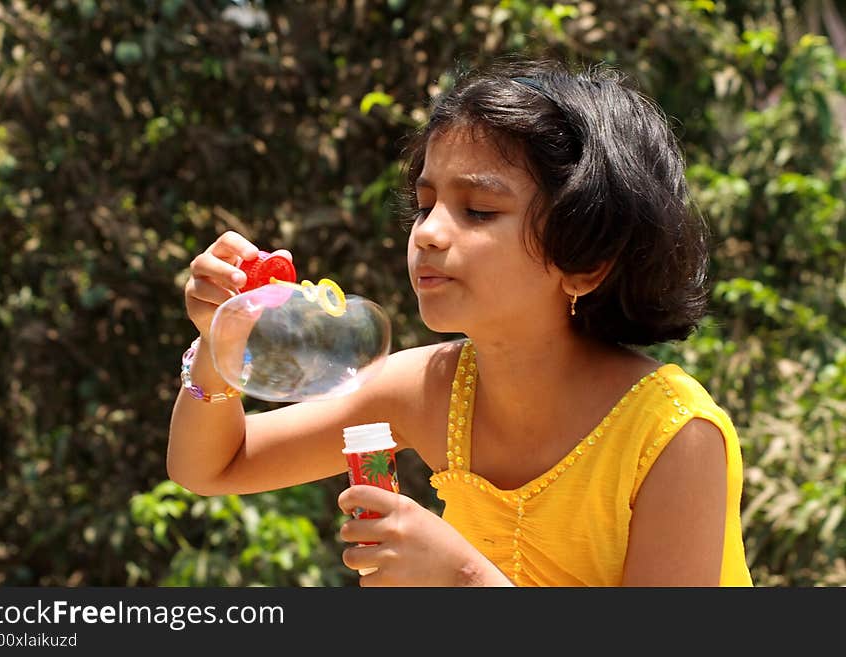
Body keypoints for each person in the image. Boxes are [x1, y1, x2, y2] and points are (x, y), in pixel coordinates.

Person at [167, 57, 753, 587]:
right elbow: (213, 466)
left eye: (478, 210)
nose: (428, 232)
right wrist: (222, 343)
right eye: (425, 205)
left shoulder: (675, 434)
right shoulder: (429, 391)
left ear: (587, 262)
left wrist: (462, 576)